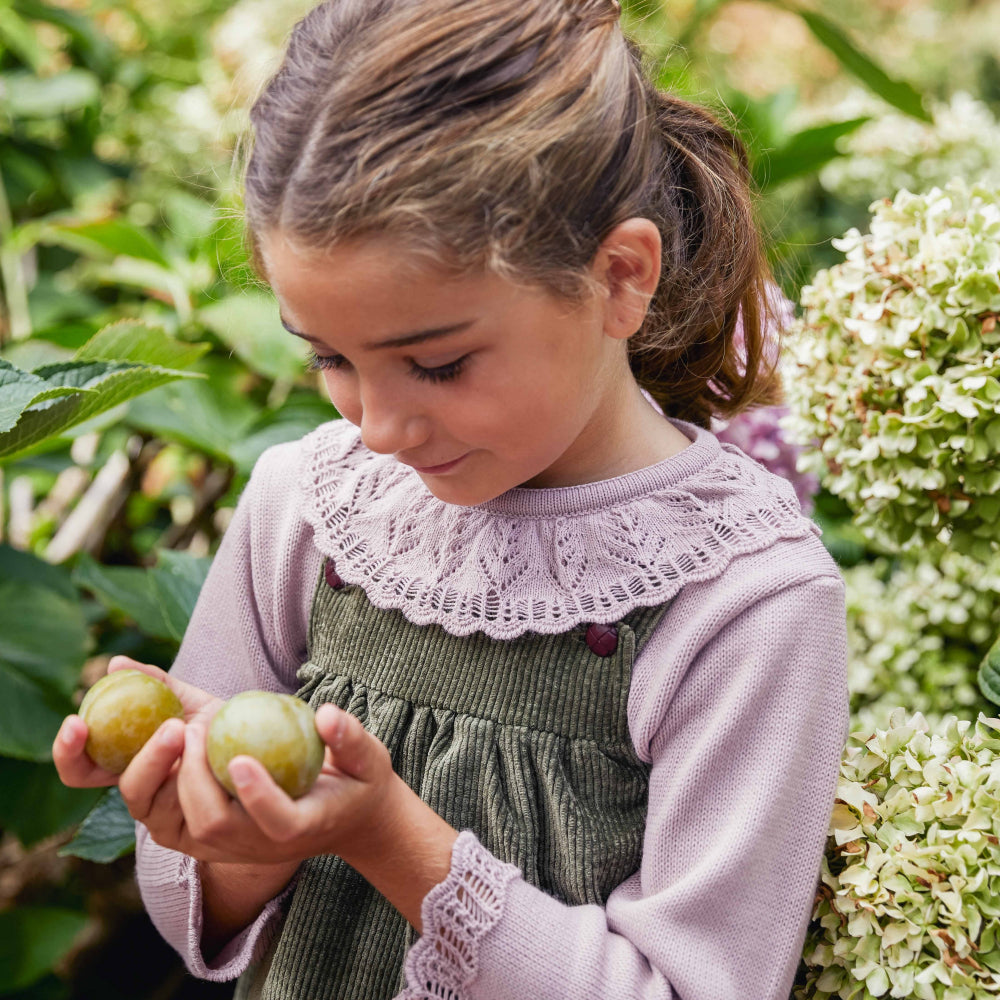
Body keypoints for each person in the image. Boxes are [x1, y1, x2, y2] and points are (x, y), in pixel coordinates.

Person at [54, 0, 850, 997]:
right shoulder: (307, 508)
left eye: (435, 363)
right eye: (330, 358)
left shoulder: (743, 601)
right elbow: (191, 914)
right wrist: (240, 836)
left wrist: (393, 837)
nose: (378, 427)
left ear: (618, 277)